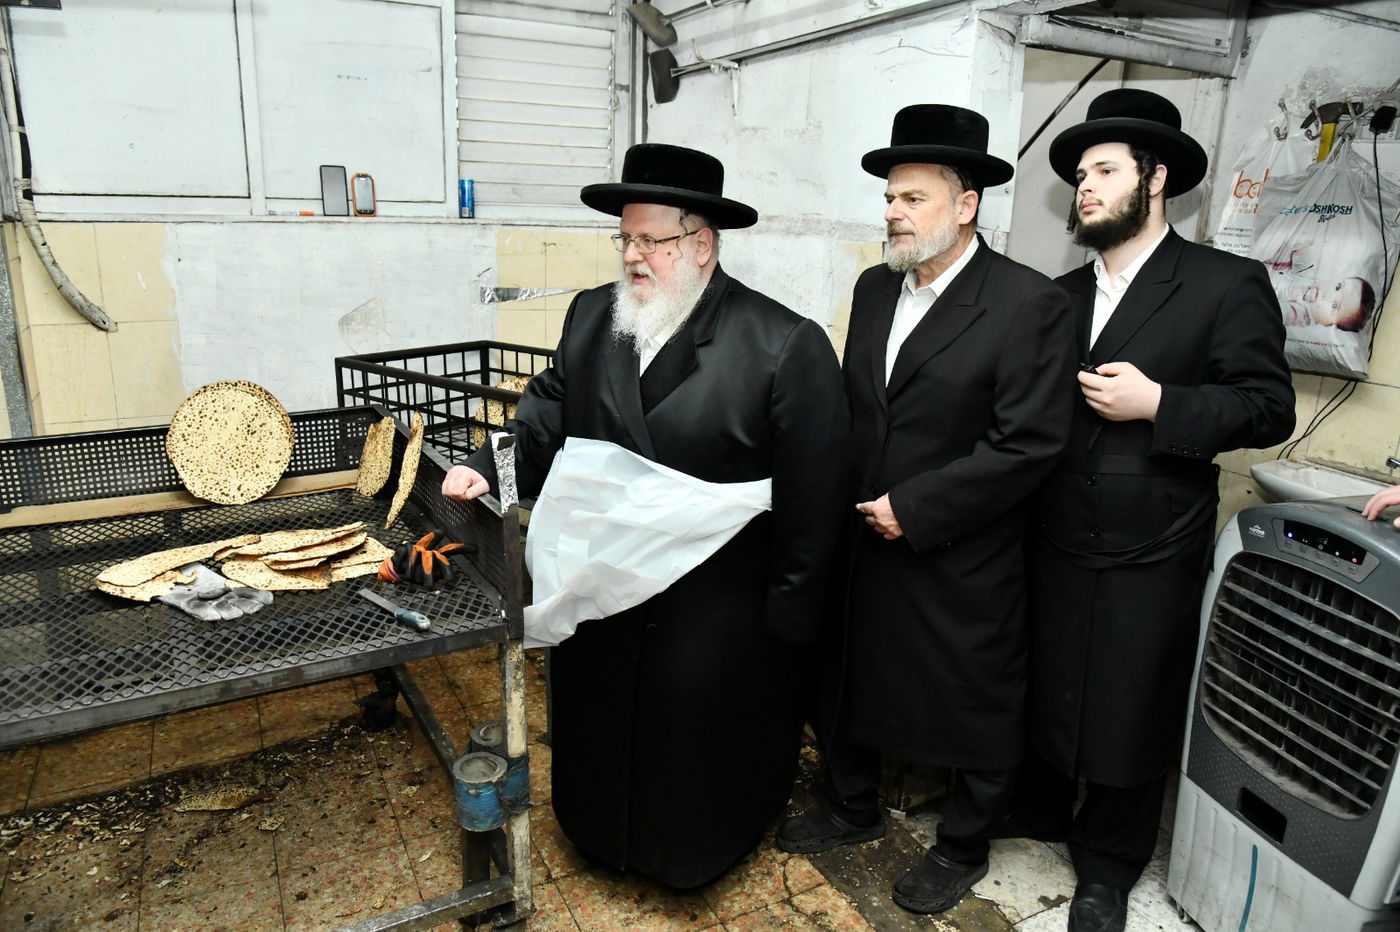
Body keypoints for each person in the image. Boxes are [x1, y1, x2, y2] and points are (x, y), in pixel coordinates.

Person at [440, 143, 849, 889]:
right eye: (624, 238)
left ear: (700, 244)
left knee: (693, 760)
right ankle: (597, 835)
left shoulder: (783, 345)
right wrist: (485, 468)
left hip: (714, 617)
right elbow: (544, 418)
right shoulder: (593, 316)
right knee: (600, 736)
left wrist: (789, 628)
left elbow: (814, 504)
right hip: (599, 593)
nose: (632, 255)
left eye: (649, 240)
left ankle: (691, 857)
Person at [777, 104, 1077, 915]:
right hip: (861, 532)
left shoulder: (1028, 302)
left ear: (966, 203)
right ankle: (851, 805)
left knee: (972, 696)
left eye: (912, 198)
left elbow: (1030, 444)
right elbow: (856, 404)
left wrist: (914, 506)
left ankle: (963, 845)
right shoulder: (875, 288)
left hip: (958, 544)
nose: (893, 212)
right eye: (889, 198)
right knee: (849, 673)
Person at [1014, 89, 1297, 932]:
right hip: (1054, 527)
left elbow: (1268, 409)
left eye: (1104, 171)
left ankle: (1108, 865)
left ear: (1157, 177)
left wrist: (1161, 403)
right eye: (1078, 175)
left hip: (1155, 539)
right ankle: (1036, 809)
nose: (1084, 188)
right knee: (1052, 680)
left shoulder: (1224, 283)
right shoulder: (1054, 296)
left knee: (1132, 704)